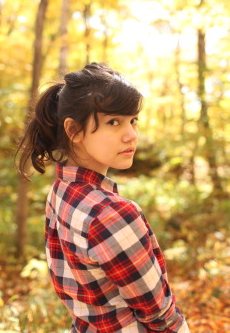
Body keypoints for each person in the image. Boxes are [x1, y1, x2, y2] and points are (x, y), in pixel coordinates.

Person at [16, 63, 190, 333]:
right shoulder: (111, 214)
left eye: (133, 120)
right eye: (113, 122)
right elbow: (160, 317)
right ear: (74, 131)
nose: (131, 134)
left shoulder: (60, 192)